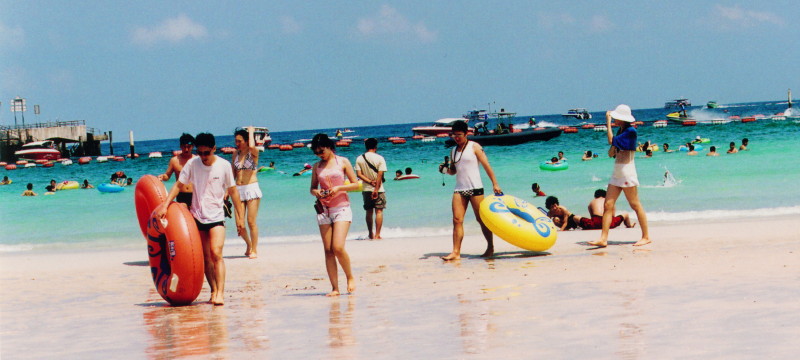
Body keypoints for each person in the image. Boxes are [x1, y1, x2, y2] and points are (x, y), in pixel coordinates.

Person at [155, 133, 245, 306]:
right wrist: (165, 205)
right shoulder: (192, 164)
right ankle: (213, 290)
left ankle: (220, 292)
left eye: (206, 153)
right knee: (206, 257)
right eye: (200, 152)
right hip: (197, 215)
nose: (203, 157)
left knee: (216, 253)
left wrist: (240, 219)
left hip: (217, 216)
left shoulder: (224, 166)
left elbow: (233, 192)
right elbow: (178, 185)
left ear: (214, 149)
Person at [588, 104, 650, 247]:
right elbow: (612, 152)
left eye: (616, 118)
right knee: (608, 205)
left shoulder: (631, 131)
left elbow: (611, 141)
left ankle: (646, 236)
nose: (614, 120)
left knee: (635, 204)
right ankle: (603, 239)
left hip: (627, 172)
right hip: (617, 172)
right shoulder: (621, 130)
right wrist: (614, 147)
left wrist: (608, 122)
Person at [440, 120, 502, 260]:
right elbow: (453, 171)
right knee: (457, 220)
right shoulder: (453, 150)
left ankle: (490, 247)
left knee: (482, 220)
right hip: (459, 189)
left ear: (466, 133)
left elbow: (486, 165)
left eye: (459, 135)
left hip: (475, 188)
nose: (456, 138)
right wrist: (444, 170)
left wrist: (495, 184)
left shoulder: (475, 147)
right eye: (454, 135)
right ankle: (456, 252)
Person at [309, 133, 360, 296]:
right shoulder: (317, 166)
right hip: (324, 210)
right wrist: (317, 192)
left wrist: (338, 188)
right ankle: (335, 288)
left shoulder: (343, 161)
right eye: (316, 152)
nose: (319, 155)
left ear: (330, 147)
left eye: (321, 151)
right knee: (328, 250)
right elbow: (312, 188)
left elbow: (356, 184)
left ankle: (350, 276)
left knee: (337, 247)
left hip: (341, 208)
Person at [232, 127, 262, 259]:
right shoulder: (235, 154)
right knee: (239, 224)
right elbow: (233, 173)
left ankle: (254, 249)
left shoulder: (253, 152)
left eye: (239, 141)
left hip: (251, 188)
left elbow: (251, 145)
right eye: (236, 141)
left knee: (251, 221)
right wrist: (228, 190)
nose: (237, 143)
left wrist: (251, 131)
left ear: (246, 141)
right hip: (238, 190)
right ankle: (249, 245)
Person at [355, 138, 387, 240]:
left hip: (366, 188)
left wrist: (369, 182)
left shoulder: (359, 158)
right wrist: (376, 189)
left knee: (369, 212)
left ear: (366, 146)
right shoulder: (380, 158)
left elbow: (359, 174)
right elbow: (380, 175)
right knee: (379, 211)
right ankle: (377, 234)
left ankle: (370, 234)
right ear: (376, 146)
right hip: (379, 189)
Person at [159, 133, 197, 209]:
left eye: (188, 147)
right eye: (184, 147)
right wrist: (162, 177)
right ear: (180, 146)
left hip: (195, 194)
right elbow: (167, 176)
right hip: (181, 194)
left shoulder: (197, 160)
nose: (186, 149)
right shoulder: (174, 160)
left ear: (192, 146)